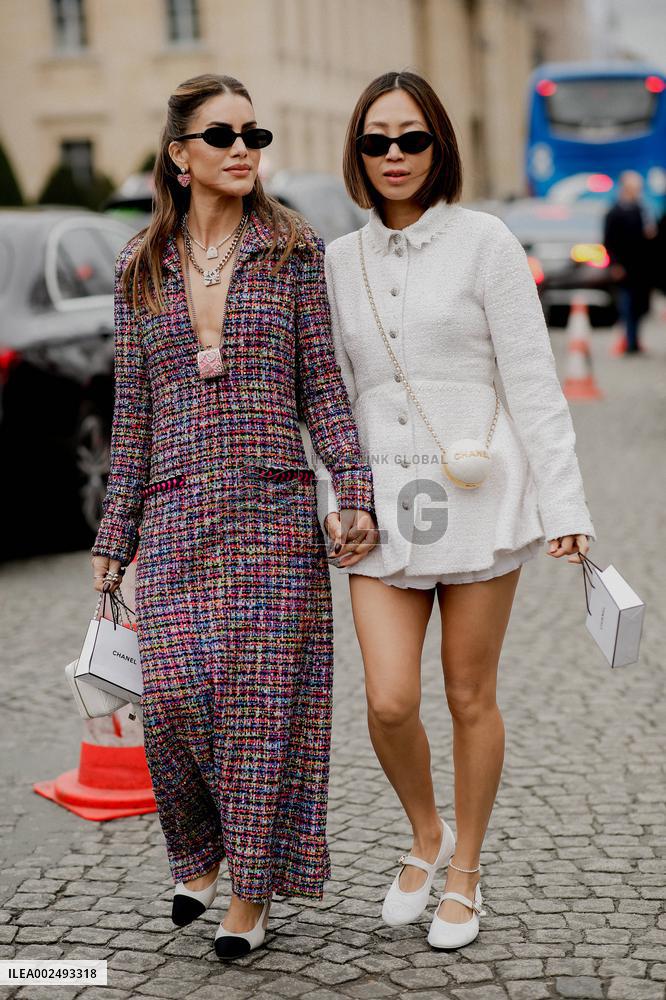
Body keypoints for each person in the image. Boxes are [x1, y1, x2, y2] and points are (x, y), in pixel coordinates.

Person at [90, 72, 376, 959]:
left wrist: (354, 489)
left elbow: (323, 388)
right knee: (175, 702)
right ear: (181, 154)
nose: (244, 150)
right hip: (178, 515)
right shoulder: (139, 265)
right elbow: (132, 417)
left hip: (273, 514)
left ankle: (250, 895)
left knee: (258, 710)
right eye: (223, 136)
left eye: (255, 135)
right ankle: (202, 854)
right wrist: (115, 538)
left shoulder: (292, 248)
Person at [311, 70, 596, 950]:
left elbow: (533, 380)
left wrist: (565, 502)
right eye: (377, 142)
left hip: (480, 501)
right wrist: (336, 498)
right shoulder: (337, 260)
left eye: (412, 139)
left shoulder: (485, 242)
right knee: (390, 701)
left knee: (470, 694)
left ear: (439, 144)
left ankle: (465, 868)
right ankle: (425, 831)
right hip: (378, 511)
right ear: (358, 154)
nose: (394, 155)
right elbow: (331, 396)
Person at [603, 170, 657, 353]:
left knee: (641, 306)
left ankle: (635, 339)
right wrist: (615, 264)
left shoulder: (642, 210)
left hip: (642, 268)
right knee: (627, 305)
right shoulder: (615, 212)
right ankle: (629, 340)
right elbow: (609, 241)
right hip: (624, 267)